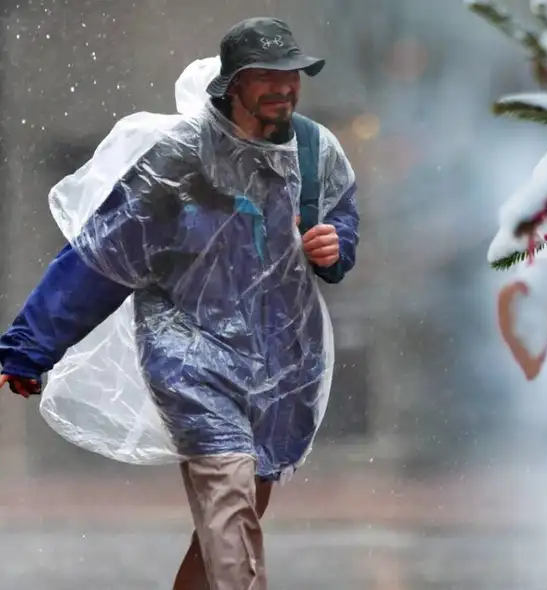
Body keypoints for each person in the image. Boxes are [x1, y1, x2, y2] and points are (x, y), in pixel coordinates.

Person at [0, 17, 359, 590]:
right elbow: (100, 260)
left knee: (237, 513)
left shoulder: (315, 150)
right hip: (189, 353)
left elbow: (338, 221)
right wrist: (28, 348)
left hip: (283, 355)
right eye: (265, 75)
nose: (284, 88)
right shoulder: (177, 162)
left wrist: (332, 247)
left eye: (291, 75)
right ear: (232, 84)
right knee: (227, 488)